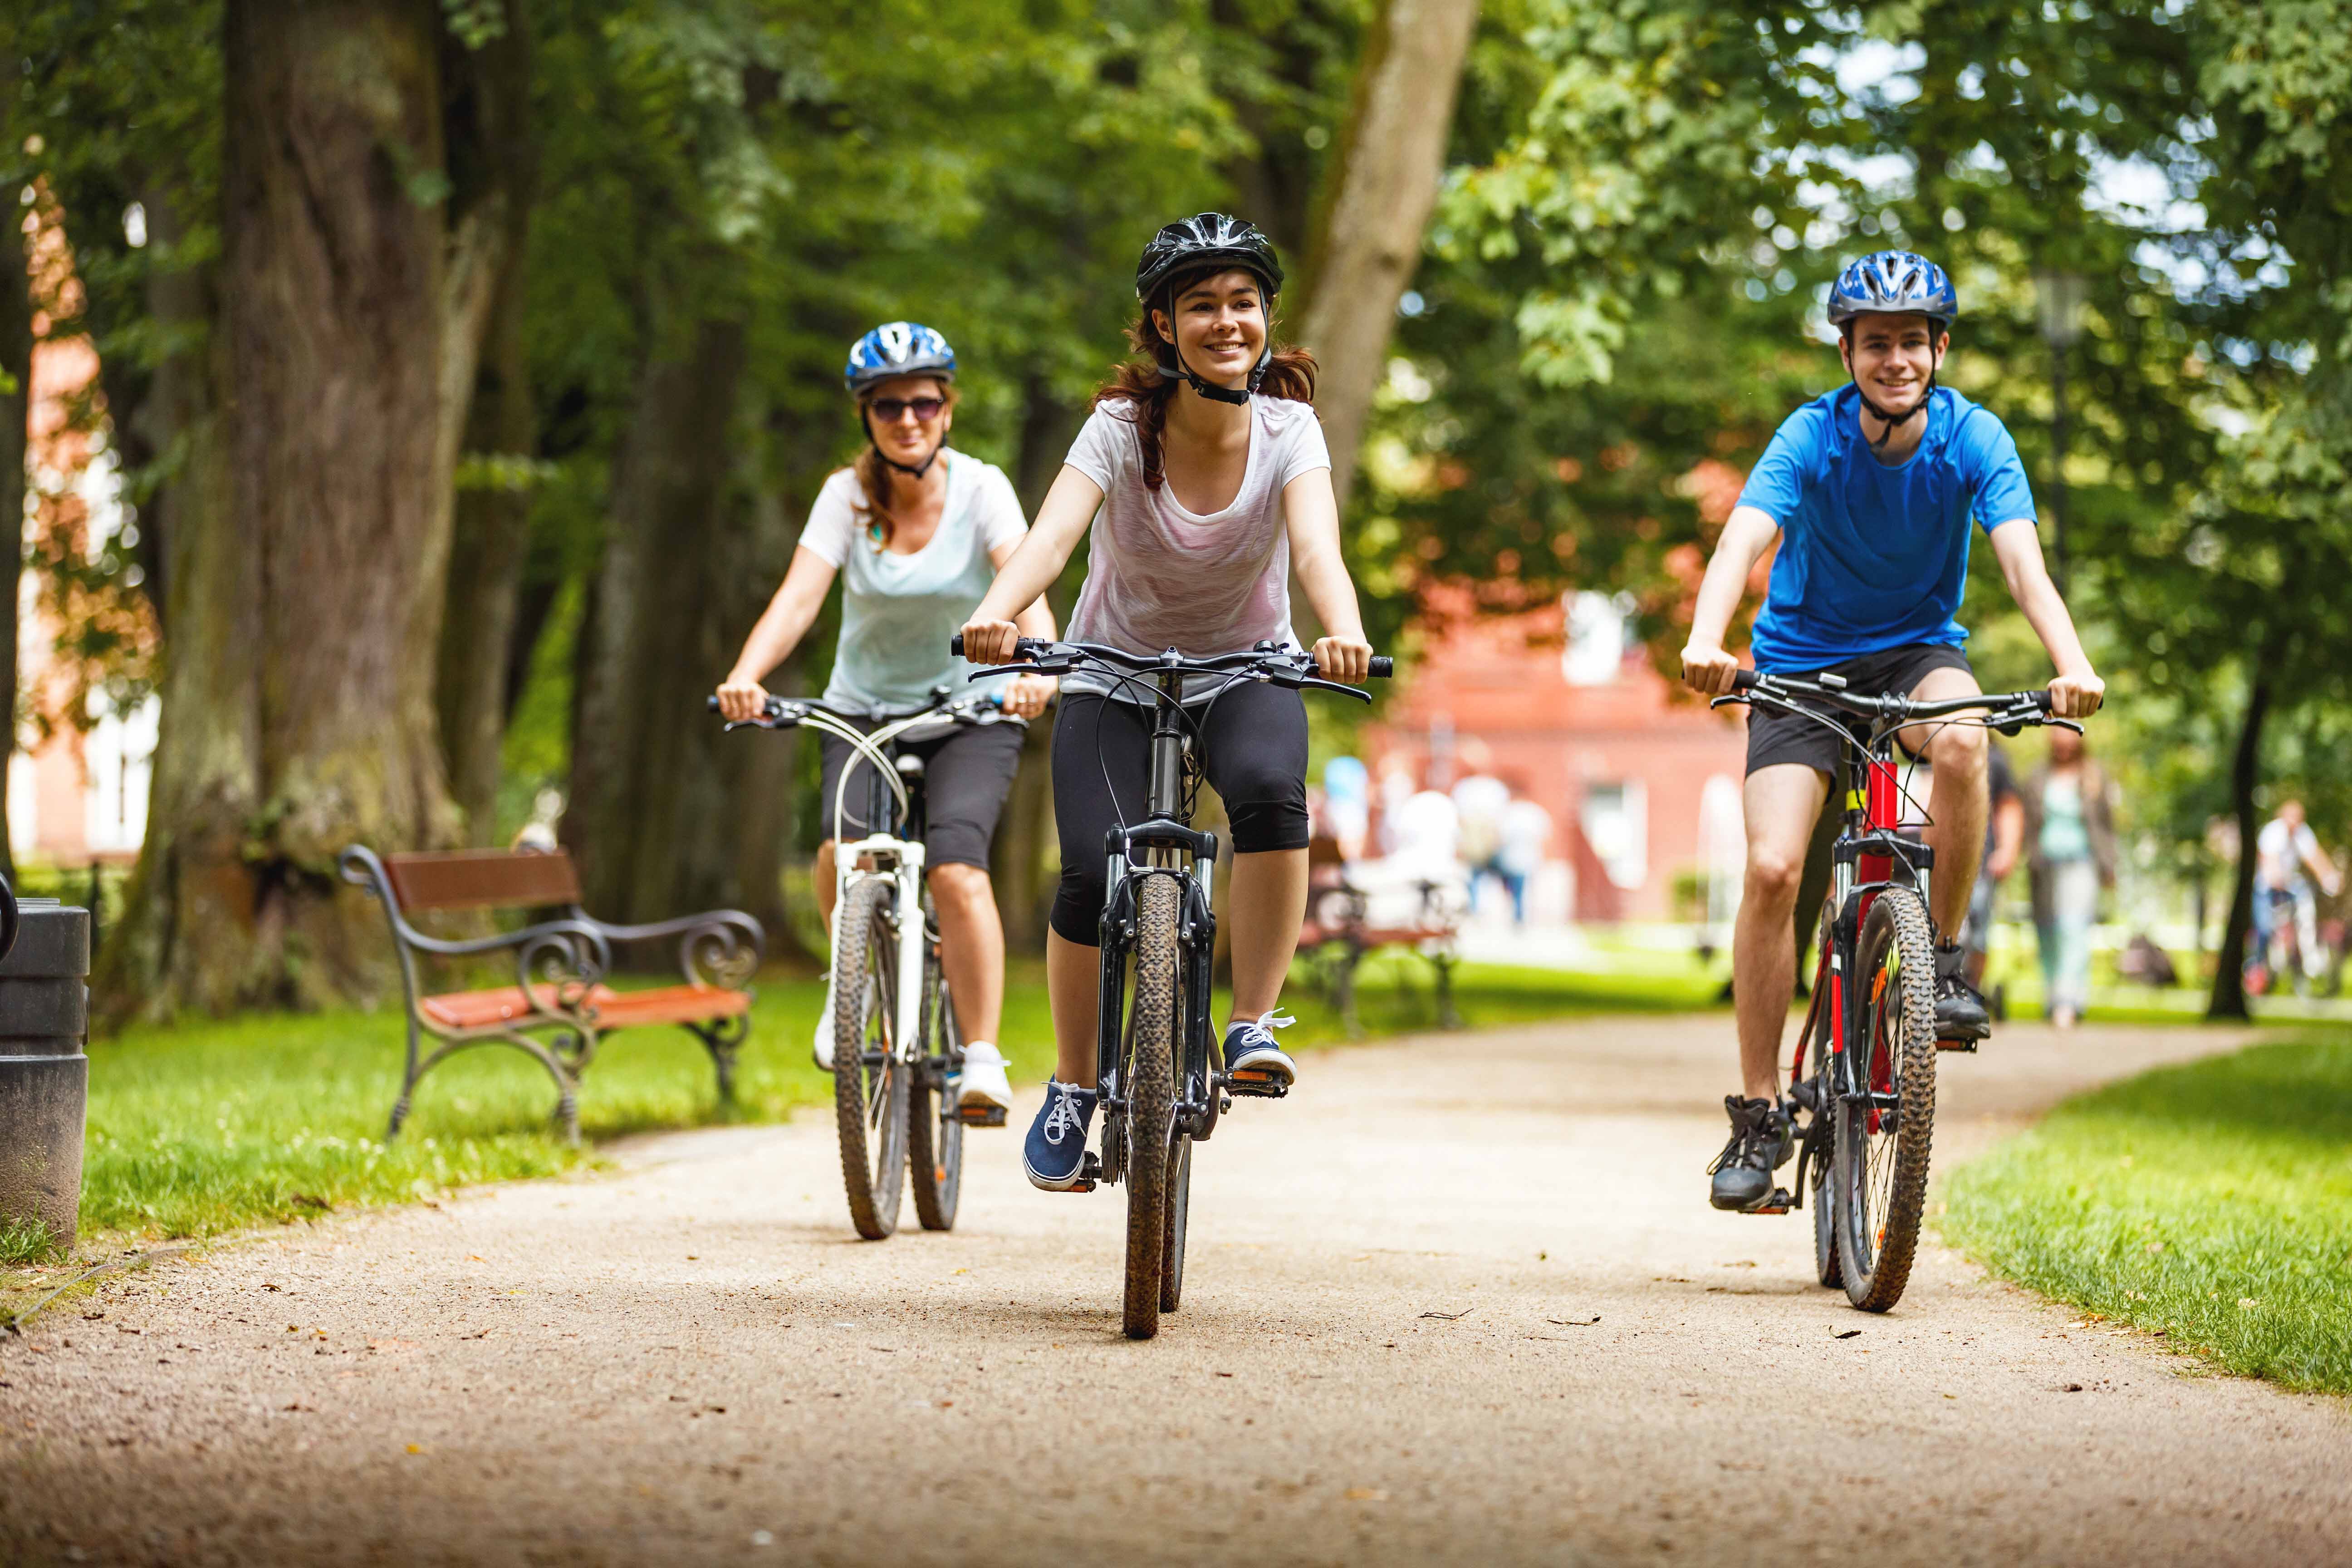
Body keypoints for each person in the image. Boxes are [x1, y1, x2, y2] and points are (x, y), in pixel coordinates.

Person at [1678, 250, 2105, 1212]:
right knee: (1775, 869)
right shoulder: (1809, 437)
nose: (1896, 358)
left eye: (1914, 340)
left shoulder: (1976, 439)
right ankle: (1756, 1113)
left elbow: (2024, 569)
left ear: (1939, 348)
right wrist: (1708, 639)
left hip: (1918, 655)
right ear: (1848, 352)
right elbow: (1741, 538)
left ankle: (1941, 964)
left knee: (1963, 741)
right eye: (1877, 343)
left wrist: (2071, 665)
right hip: (1799, 668)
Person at [958, 213, 1375, 1191]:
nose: (1226, 322)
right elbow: (1051, 540)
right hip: (1114, 669)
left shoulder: (1289, 429)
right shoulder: (1118, 426)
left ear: (1266, 316)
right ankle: (1071, 1084)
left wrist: (1341, 627)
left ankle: (1252, 1021)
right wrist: (994, 615)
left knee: (1272, 797)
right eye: (1202, 306)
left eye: (1243, 303)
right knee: (1086, 873)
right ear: (1163, 324)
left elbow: (1317, 550)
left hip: (1246, 669)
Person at [716, 322, 1058, 1120]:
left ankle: (979, 1057)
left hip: (971, 709)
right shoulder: (845, 496)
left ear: (948, 408)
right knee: (844, 854)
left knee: (957, 870)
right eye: (888, 405)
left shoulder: (981, 490)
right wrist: (744, 675)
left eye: (924, 402)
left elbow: (1028, 580)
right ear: (865, 416)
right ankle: (849, 992)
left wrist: (1037, 667)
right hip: (862, 711)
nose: (908, 418)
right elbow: (800, 597)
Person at [2020, 726, 2117, 1028]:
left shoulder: (2094, 776)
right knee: (2047, 930)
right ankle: (2053, 996)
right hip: (2043, 862)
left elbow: (2107, 826)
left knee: (2074, 927)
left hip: (2082, 861)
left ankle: (2069, 999)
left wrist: (2110, 866)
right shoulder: (2037, 777)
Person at [2252, 799, 2342, 991]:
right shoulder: (2273, 833)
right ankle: (2257, 967)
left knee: (2306, 907)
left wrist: (2329, 876)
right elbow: (2270, 863)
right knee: (2265, 929)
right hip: (2267, 887)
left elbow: (2315, 857)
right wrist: (2276, 880)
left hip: (2290, 884)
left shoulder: (2302, 832)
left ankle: (2310, 956)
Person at [1963, 739, 2027, 994]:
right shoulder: (1923, 751)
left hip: (1981, 859)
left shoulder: (1994, 759)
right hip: (1931, 856)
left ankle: (1972, 987)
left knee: (1978, 926)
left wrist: (2007, 851)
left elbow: (2008, 806)